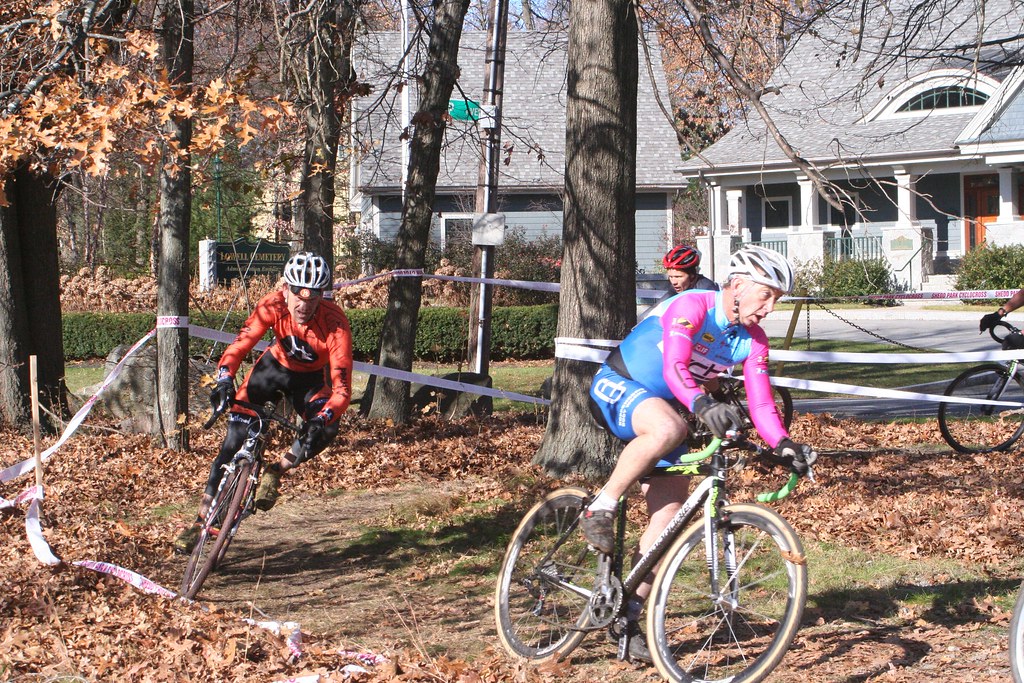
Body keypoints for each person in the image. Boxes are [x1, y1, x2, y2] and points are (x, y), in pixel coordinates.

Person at [585, 245, 817, 662]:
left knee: (669, 517)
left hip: (672, 405)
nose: (769, 308)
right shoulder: (691, 305)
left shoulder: (754, 341)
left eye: (776, 300)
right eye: (766, 295)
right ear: (739, 285)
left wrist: (782, 444)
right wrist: (701, 404)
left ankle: (628, 612)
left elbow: (762, 402)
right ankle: (600, 506)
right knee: (669, 427)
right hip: (620, 385)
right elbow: (675, 364)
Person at [175, 251, 353, 552]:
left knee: (326, 430)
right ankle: (199, 522)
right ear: (286, 290)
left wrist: (321, 418)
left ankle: (275, 470)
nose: (304, 305)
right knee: (231, 444)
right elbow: (242, 342)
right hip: (271, 371)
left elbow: (342, 390)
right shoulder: (272, 304)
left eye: (313, 299)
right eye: (298, 296)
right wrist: (224, 378)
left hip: (309, 383)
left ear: (322, 297)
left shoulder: (335, 324)